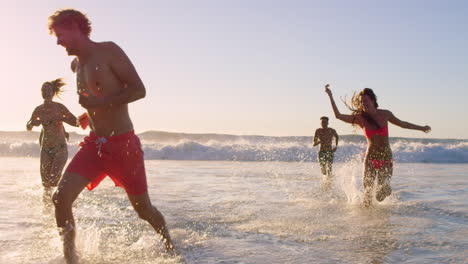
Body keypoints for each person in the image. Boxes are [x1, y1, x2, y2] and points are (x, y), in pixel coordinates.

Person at [48, 9, 173, 263]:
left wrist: (103, 104)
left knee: (143, 210)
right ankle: (70, 259)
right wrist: (89, 116)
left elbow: (139, 89)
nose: (58, 42)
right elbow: (95, 100)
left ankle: (170, 247)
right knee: (61, 199)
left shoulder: (108, 51)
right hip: (95, 145)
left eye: (60, 35)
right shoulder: (76, 65)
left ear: (75, 27)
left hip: (123, 146)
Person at [324, 84, 431, 207]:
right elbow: (338, 116)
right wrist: (330, 95)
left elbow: (402, 124)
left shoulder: (385, 114)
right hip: (370, 158)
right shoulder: (361, 119)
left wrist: (421, 128)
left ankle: (386, 189)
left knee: (380, 196)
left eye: (365, 101)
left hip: (385, 159)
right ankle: (366, 223)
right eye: (361, 102)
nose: (363, 104)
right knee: (367, 194)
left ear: (373, 100)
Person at [26, 79, 80, 200]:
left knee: (53, 181)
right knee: (45, 184)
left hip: (60, 149)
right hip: (45, 149)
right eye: (43, 90)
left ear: (53, 92)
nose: (45, 92)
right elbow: (28, 126)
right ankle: (47, 211)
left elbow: (77, 122)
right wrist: (32, 123)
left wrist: (62, 118)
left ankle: (66, 199)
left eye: (48, 90)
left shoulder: (59, 108)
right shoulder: (38, 109)